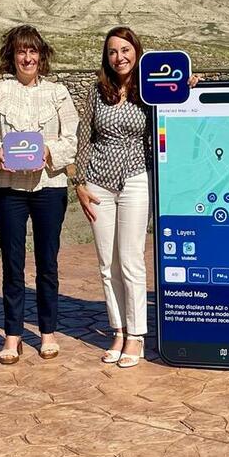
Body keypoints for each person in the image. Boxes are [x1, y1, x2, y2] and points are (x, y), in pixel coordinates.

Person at [0, 25, 79, 364]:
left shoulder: (58, 94)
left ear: (41, 56)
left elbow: (72, 140)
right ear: (12, 55)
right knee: (12, 264)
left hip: (49, 187)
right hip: (8, 189)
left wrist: (47, 153)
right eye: (21, 51)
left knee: (48, 262)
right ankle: (13, 336)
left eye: (33, 51)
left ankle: (47, 332)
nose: (27, 58)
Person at [72, 27, 155, 369]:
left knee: (130, 258)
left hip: (137, 176)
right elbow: (84, 136)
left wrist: (188, 85)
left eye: (124, 50)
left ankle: (137, 335)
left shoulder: (149, 89)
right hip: (99, 181)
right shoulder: (97, 91)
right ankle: (118, 331)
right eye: (112, 52)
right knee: (107, 263)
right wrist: (78, 182)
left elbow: (178, 106)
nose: (119, 57)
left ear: (136, 51)